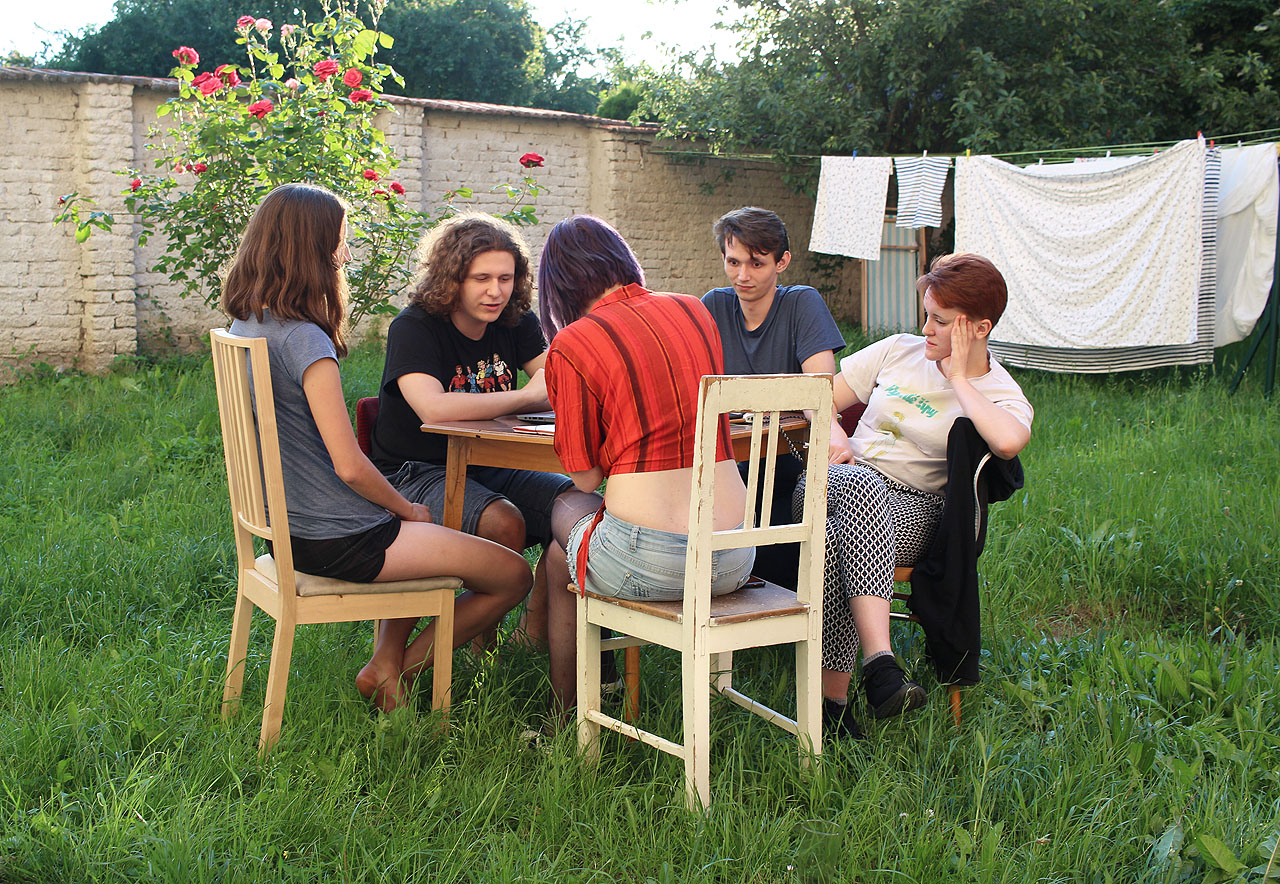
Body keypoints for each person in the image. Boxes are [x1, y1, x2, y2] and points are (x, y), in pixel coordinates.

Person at [221, 184, 531, 713]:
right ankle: (394, 671)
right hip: (340, 536)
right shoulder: (305, 341)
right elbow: (349, 465)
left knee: (429, 534)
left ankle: (389, 667)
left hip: (287, 530)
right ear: (309, 249)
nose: (344, 255)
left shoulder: (246, 324)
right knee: (513, 575)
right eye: (339, 243)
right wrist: (405, 509)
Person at [537, 215, 756, 719]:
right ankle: (606, 680)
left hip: (649, 563)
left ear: (559, 285)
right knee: (580, 540)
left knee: (560, 540)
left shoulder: (573, 344)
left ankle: (566, 714)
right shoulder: (696, 312)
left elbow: (586, 478)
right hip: (734, 555)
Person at [806, 253, 1033, 739]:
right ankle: (879, 666)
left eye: (941, 320)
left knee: (844, 532)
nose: (925, 327)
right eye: (926, 313)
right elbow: (818, 395)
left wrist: (958, 377)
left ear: (979, 327)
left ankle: (832, 706)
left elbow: (1009, 441)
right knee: (853, 491)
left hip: (913, 512)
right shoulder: (897, 351)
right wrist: (836, 435)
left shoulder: (1001, 391)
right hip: (831, 483)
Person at [369, 213, 601, 647]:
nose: (496, 292)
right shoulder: (414, 327)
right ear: (452, 278)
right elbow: (433, 408)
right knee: (503, 523)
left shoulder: (515, 320)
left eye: (506, 278)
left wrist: (549, 386)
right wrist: (525, 397)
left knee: (583, 506)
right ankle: (478, 650)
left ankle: (533, 626)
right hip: (414, 471)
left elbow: (560, 382)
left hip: (491, 462)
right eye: (481, 279)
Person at [702, 206, 846, 587]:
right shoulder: (713, 306)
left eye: (757, 263)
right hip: (728, 458)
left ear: (782, 262)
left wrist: (829, 428)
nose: (742, 275)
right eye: (733, 262)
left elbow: (819, 390)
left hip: (784, 462)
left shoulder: (801, 303)